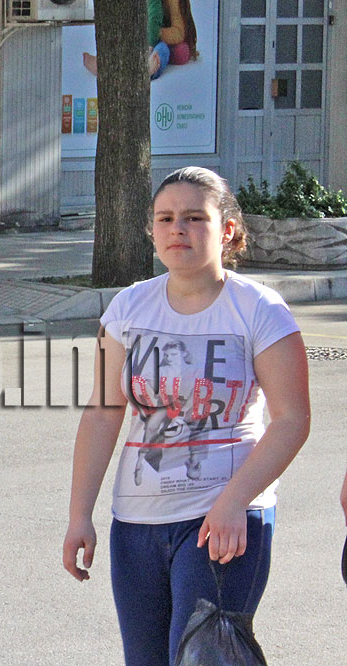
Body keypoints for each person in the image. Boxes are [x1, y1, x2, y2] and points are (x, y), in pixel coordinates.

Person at [62, 167, 311, 666]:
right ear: (152, 231)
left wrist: (234, 502)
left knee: (205, 656)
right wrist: (78, 515)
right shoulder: (128, 308)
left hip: (222, 519)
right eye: (166, 218)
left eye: (195, 217)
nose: (178, 228)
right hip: (137, 522)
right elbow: (103, 414)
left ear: (227, 230)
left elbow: (292, 420)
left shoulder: (259, 310)